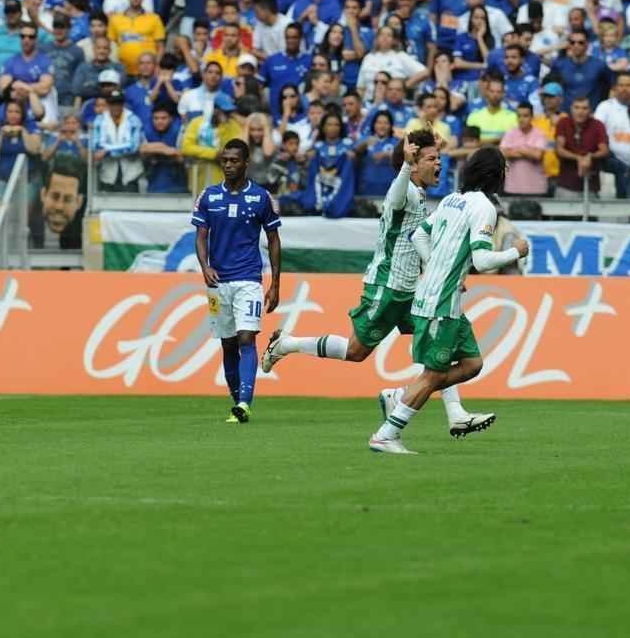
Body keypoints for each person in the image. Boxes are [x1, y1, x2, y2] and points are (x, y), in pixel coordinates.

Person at [262, 132, 495, 438]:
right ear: (413, 164)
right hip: (388, 287)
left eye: (439, 158)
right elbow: (396, 198)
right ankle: (287, 344)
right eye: (432, 159)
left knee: (443, 342)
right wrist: (406, 164)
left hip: (412, 289)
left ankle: (455, 413)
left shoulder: (419, 192)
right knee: (355, 351)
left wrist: (436, 272)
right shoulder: (404, 190)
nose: (439, 164)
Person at [369, 146, 529, 454]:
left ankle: (399, 395)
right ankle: (386, 435)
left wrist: (436, 267)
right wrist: (515, 252)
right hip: (439, 302)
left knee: (472, 364)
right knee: (433, 375)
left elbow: (419, 235)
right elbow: (482, 261)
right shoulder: (484, 207)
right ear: (495, 175)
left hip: (442, 296)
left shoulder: (451, 199)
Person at [193, 139, 282, 424]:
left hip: (249, 279)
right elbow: (200, 236)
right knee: (228, 344)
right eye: (225, 160)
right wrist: (205, 266)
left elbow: (273, 239)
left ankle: (245, 402)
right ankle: (238, 405)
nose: (228, 165)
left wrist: (275, 283)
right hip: (218, 282)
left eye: (234, 160)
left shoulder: (261, 197)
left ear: (246, 163)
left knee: (246, 337)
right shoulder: (208, 196)